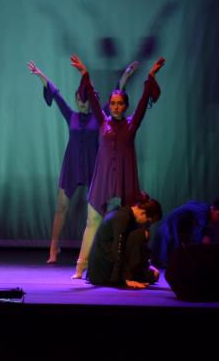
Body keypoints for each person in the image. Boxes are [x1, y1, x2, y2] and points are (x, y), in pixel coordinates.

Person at [27, 60, 137, 263]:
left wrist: (126, 75)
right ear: (76, 100)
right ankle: (53, 248)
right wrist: (40, 75)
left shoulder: (100, 115)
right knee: (61, 206)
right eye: (79, 100)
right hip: (72, 164)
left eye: (85, 101)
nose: (82, 104)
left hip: (94, 165)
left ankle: (98, 249)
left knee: (97, 210)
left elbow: (117, 90)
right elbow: (56, 95)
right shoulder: (71, 116)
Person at [69, 54, 165, 278]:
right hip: (103, 178)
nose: (116, 107)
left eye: (120, 103)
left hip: (125, 179)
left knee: (130, 224)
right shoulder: (103, 121)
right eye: (112, 103)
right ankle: (81, 266)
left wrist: (151, 76)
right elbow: (92, 98)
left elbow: (143, 104)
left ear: (126, 106)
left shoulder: (131, 124)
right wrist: (85, 73)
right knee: (93, 221)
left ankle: (133, 266)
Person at [86, 193, 163, 288]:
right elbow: (118, 249)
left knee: (154, 275)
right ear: (143, 213)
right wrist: (124, 280)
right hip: (104, 271)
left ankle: (137, 273)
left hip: (109, 265)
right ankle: (129, 276)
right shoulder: (122, 217)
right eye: (149, 221)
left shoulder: (127, 216)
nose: (147, 225)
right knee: (141, 234)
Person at [151, 197, 219, 267]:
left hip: (171, 232)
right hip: (168, 233)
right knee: (164, 264)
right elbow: (195, 237)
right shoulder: (202, 212)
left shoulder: (204, 209)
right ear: (216, 211)